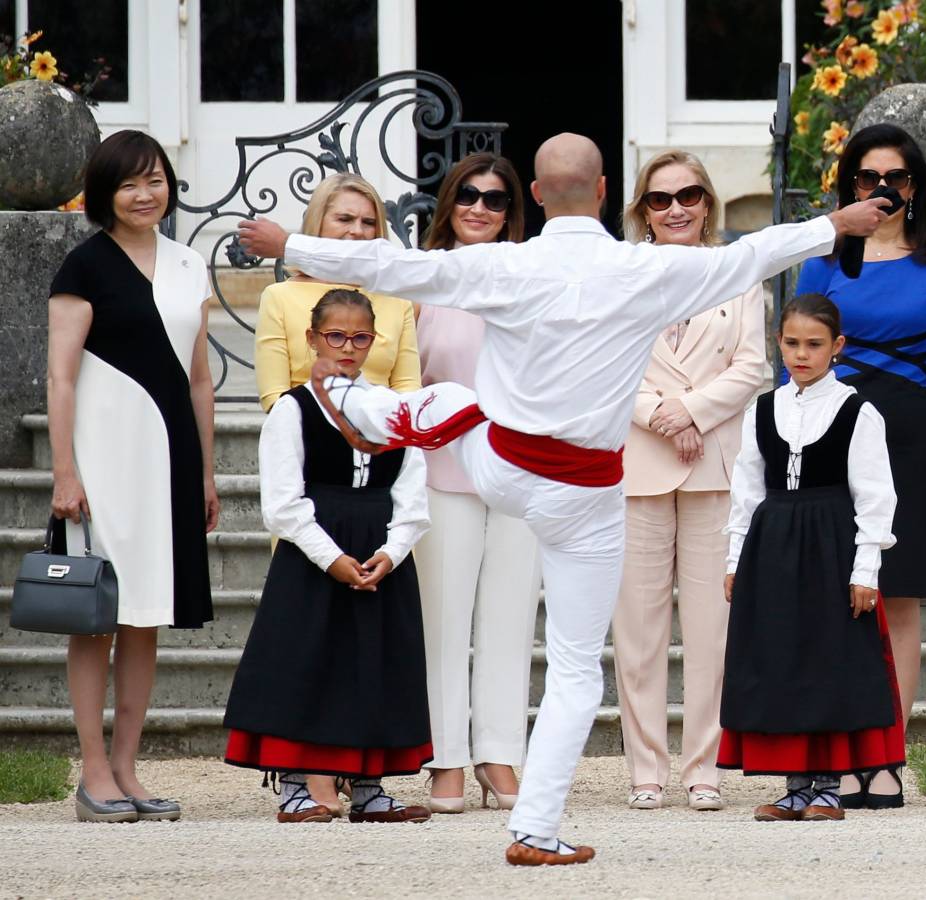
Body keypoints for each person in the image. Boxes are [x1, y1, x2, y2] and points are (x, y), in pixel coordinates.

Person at [237, 131, 891, 864]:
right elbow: (749, 256)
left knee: (456, 398)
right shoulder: (648, 269)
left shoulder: (508, 264)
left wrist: (291, 241)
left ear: (538, 196)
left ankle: (370, 409)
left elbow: (398, 265)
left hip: (501, 466)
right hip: (585, 488)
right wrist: (836, 224)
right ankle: (535, 828)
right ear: (607, 191)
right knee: (578, 668)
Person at [794, 123, 926, 806]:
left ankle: (888, 757)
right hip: (834, 429)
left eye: (896, 178)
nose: (882, 190)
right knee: (842, 596)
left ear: (915, 185)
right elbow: (799, 361)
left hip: (906, 433)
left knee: (897, 595)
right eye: (868, 178)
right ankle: (843, 749)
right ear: (850, 185)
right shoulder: (821, 262)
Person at [48, 130, 217, 824]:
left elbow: (202, 380)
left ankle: (127, 768)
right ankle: (92, 774)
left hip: (169, 460)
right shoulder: (82, 268)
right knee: (95, 622)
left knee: (145, 617)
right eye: (129, 184)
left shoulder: (189, 264)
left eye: (155, 180)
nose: (145, 195)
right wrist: (64, 472)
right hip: (101, 461)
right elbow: (60, 377)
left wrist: (206, 472)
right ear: (103, 195)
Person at [222, 288, 433, 824]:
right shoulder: (293, 410)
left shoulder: (392, 410)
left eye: (360, 337)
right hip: (315, 555)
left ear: (373, 341)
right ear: (313, 337)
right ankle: (294, 783)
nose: (347, 347)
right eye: (335, 335)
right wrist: (332, 558)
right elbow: (282, 504)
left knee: (374, 663)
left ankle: (368, 784)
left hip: (378, 554)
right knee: (306, 661)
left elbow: (412, 495)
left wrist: (392, 550)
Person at [613, 151, 766, 813]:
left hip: (713, 464)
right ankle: (646, 768)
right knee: (638, 630)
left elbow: (755, 365)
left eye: (689, 195)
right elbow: (604, 361)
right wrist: (659, 414)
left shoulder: (737, 271)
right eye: (660, 197)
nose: (675, 208)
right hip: (639, 461)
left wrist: (693, 411)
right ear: (641, 208)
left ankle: (703, 765)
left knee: (711, 629)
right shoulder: (620, 274)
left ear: (708, 202)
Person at [718, 294, 905, 822]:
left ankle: (827, 785)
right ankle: (795, 785)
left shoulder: (856, 410)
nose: (803, 354)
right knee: (780, 659)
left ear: (837, 347)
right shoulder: (763, 409)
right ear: (779, 343)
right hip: (773, 546)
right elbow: (747, 490)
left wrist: (865, 568)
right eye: (793, 343)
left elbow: (875, 496)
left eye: (815, 345)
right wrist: (736, 559)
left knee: (828, 660)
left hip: (830, 545)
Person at [414, 153, 538, 814]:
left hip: (521, 470)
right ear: (449, 201)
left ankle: (499, 754)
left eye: (495, 198)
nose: (480, 208)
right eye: (468, 194)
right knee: (444, 620)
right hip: (443, 467)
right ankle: (448, 759)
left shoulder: (531, 277)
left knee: (510, 620)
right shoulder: (425, 278)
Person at [254, 173, 420, 412]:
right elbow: (274, 397)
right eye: (344, 219)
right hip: (307, 434)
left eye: (368, 222)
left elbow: (407, 386)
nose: (357, 231)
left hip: (380, 434)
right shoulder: (279, 297)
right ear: (318, 221)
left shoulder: (397, 298)